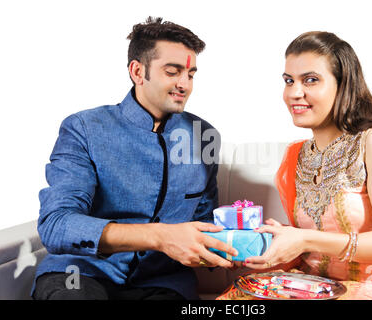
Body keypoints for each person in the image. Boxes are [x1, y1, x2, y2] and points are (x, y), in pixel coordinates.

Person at [32, 16, 238, 300]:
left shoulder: (204, 136)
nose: (185, 84)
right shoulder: (85, 128)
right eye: (173, 71)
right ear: (138, 71)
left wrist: (247, 245)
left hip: (163, 282)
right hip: (81, 273)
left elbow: (206, 223)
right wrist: (161, 237)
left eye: (190, 74)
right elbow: (56, 225)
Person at [218, 31, 372, 300]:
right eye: (289, 81)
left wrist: (304, 239)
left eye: (310, 80)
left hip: (369, 290)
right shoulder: (297, 155)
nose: (294, 93)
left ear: (343, 84)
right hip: (306, 286)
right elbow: (307, 252)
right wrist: (269, 246)